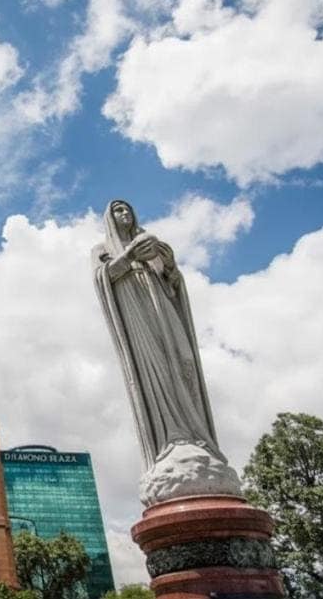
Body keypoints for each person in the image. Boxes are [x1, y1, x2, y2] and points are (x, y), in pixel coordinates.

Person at [92, 200, 227, 480]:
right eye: (117, 210)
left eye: (128, 208)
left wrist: (170, 267)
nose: (125, 213)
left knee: (185, 361)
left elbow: (172, 284)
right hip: (137, 317)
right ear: (109, 218)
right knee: (157, 372)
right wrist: (128, 258)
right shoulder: (103, 250)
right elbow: (101, 279)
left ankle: (196, 434)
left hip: (163, 309)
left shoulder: (151, 246)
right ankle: (172, 438)